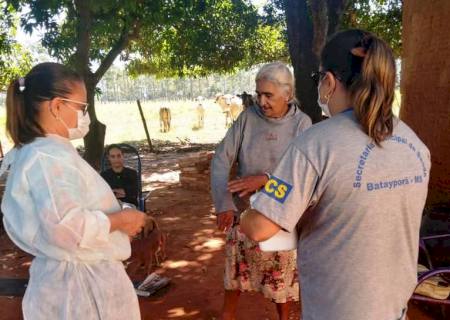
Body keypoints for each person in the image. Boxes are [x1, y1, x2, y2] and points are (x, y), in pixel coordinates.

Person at [240, 29, 431, 320]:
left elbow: (260, 227)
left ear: (329, 82)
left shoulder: (315, 144)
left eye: (319, 80)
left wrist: (247, 212)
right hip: (395, 309)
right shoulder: (415, 145)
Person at [0, 62, 146, 319]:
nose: (84, 116)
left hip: (77, 284)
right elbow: (65, 227)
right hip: (81, 292)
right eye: (81, 107)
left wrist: (116, 214)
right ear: (57, 106)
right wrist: (122, 220)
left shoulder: (44, 152)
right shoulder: (47, 157)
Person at [211, 62, 312, 320]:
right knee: (235, 271)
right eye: (259, 94)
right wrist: (224, 204)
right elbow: (222, 159)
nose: (261, 101)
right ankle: (228, 315)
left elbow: (302, 175)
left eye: (269, 95)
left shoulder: (302, 124)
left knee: (282, 277)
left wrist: (265, 180)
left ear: (287, 95)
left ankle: (283, 316)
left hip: (282, 215)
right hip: (245, 212)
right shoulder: (247, 118)